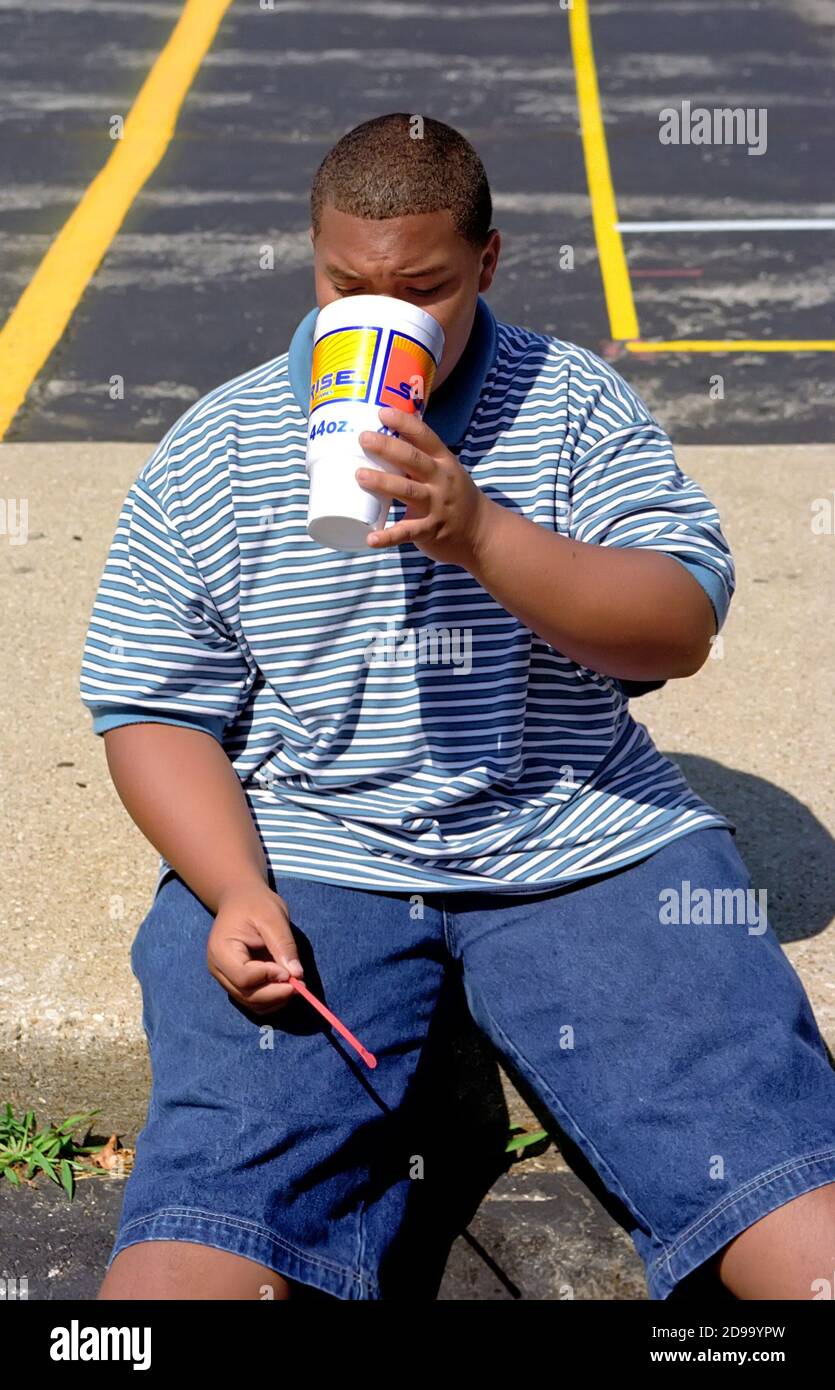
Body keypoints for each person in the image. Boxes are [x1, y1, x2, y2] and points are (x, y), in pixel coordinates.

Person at [80, 113, 835, 1301]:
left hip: (580, 839)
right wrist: (232, 891)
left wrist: (482, 532)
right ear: (314, 260)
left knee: (792, 1224)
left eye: (423, 288)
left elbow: (678, 619)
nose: (382, 312)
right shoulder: (217, 447)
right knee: (202, 1243)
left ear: (487, 262)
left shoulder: (569, 403)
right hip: (310, 848)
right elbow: (149, 703)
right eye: (347, 283)